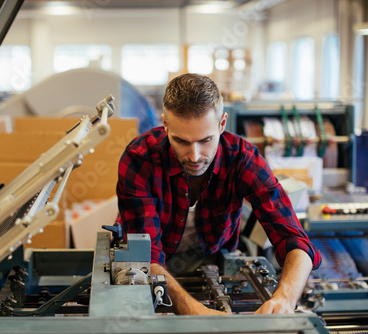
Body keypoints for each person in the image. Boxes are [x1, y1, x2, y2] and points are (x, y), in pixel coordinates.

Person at [116, 73, 321, 316]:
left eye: (205, 140)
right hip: (154, 264)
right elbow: (145, 258)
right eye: (181, 141)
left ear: (222, 124)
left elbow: (295, 241)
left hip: (211, 259)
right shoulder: (140, 159)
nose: (194, 156)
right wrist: (197, 313)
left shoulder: (242, 160)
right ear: (165, 125)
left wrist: (284, 299)